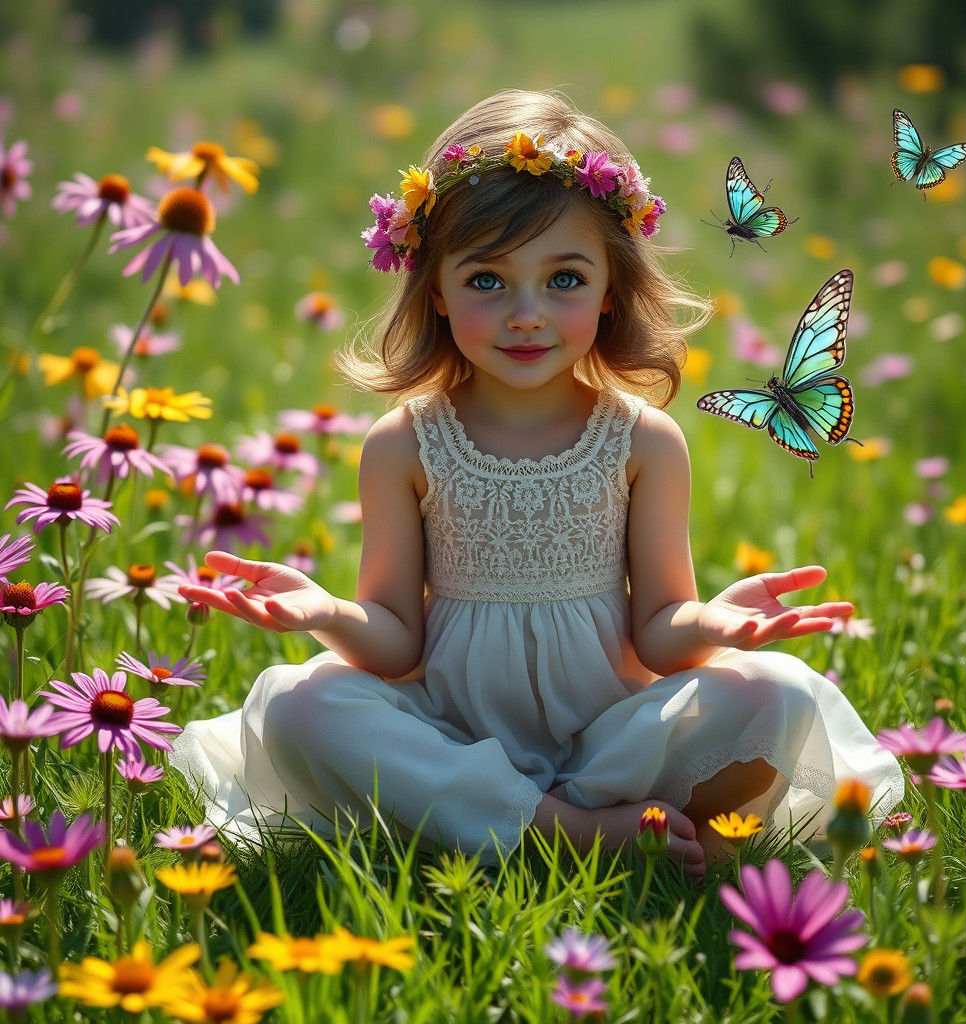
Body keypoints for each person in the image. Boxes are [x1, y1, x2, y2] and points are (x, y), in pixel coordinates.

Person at [171, 89, 902, 876]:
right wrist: (327, 613)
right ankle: (571, 830)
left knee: (774, 695)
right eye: (488, 281)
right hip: (449, 734)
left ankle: (552, 822)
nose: (527, 314)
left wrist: (714, 624)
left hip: (613, 734)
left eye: (565, 280)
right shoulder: (406, 443)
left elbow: (661, 630)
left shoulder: (642, 440)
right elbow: (396, 640)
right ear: (436, 289)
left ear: (612, 288)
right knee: (299, 707)